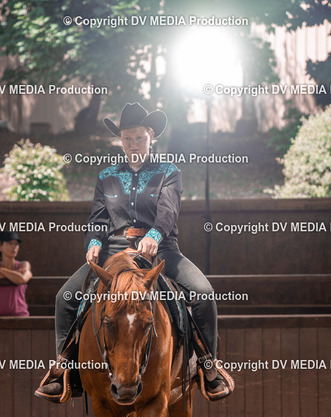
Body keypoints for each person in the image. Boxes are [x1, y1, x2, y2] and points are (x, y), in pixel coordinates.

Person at [35, 102, 232, 401]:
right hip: (113, 252)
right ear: (120, 140)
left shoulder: (169, 172)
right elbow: (98, 218)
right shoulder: (107, 176)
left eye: (139, 137)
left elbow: (168, 210)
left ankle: (208, 367)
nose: (133, 143)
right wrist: (94, 241)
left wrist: (155, 234)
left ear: (151, 136)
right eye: (127, 138)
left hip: (161, 250)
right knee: (65, 298)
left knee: (203, 293)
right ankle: (65, 372)